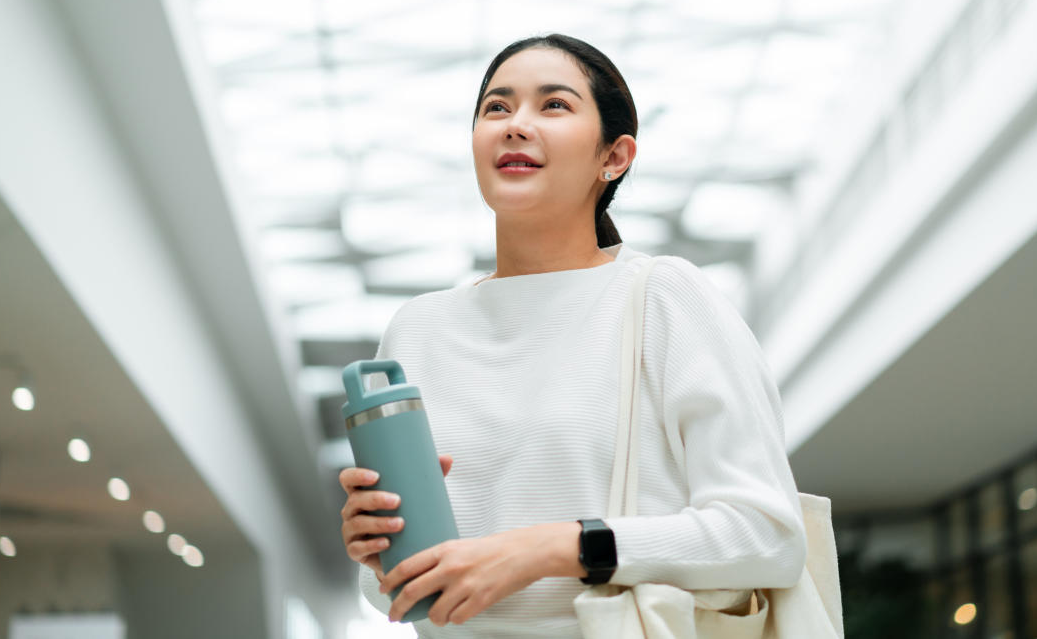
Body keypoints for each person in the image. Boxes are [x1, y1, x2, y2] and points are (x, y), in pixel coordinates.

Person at [338, 33, 807, 637]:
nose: (515, 125)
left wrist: (551, 548)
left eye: (553, 105)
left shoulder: (664, 297)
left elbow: (767, 535)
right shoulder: (418, 331)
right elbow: (391, 597)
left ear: (613, 157)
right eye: (496, 108)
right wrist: (377, 551)